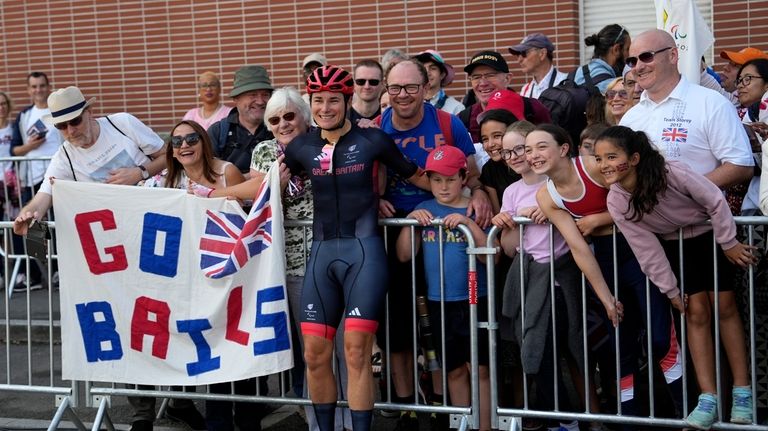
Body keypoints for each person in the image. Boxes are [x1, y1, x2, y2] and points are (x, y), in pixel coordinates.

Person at [8, 87, 209, 431]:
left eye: (75, 121)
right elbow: (46, 193)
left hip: (159, 242)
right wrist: (28, 215)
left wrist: (140, 172)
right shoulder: (66, 156)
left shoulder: (123, 125)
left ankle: (180, 399)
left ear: (89, 112)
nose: (71, 132)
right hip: (117, 257)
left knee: (173, 318)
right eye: (63, 127)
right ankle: (142, 412)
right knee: (132, 328)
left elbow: (168, 155)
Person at [281, 65, 429, 431]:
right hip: (321, 255)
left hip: (363, 254)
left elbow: (421, 178)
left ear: (347, 101)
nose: (326, 107)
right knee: (314, 355)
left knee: (356, 352)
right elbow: (266, 187)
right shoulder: (300, 146)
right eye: (318, 100)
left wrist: (468, 195)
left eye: (334, 100)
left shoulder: (373, 141)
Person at [594, 125, 756, 429]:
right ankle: (707, 398)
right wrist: (668, 289)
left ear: (635, 157)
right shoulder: (617, 201)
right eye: (598, 158)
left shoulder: (671, 172)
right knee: (695, 314)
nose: (603, 165)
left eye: (611, 156)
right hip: (675, 248)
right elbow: (646, 250)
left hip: (711, 238)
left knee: (725, 309)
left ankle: (742, 390)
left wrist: (729, 242)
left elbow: (714, 201)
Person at [531, 124, 685, 425]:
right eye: (528, 149)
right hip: (605, 261)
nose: (533, 155)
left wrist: (600, 218)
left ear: (564, 149)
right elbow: (578, 247)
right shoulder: (545, 196)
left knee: (659, 336)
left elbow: (641, 198)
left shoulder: (594, 166)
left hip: (640, 252)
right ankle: (632, 420)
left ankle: (684, 411)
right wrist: (606, 298)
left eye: (541, 146)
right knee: (619, 346)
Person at [374, 59, 489, 430]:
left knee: (444, 327)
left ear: (426, 88)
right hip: (400, 230)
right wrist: (374, 199)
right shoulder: (379, 126)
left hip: (447, 228)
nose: (402, 95)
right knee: (401, 328)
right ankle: (412, 406)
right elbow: (365, 175)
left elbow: (470, 171)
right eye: (394, 88)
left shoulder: (446, 122)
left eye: (410, 87)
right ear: (385, 91)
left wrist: (481, 193)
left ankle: (445, 406)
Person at [492, 122, 584, 431]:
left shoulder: (556, 182)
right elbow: (508, 248)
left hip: (559, 280)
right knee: (534, 352)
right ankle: (559, 417)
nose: (517, 156)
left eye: (522, 148)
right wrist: (508, 224)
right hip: (528, 280)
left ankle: (570, 418)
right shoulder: (512, 191)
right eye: (509, 152)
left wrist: (552, 209)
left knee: (549, 351)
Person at [396, 145, 493, 431]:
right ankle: (461, 424)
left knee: (482, 370)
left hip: (477, 298)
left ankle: (485, 426)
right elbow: (404, 255)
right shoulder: (425, 209)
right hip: (440, 302)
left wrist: (466, 222)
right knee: (452, 370)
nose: (443, 186)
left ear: (464, 177)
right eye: (437, 179)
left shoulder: (475, 208)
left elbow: (493, 254)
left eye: (450, 179)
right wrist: (409, 224)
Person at [620, 30, 754, 190]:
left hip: (697, 214)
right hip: (641, 214)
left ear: (672, 55)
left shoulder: (711, 103)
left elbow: (741, 165)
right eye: (632, 61)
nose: (639, 67)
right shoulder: (630, 118)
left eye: (647, 56)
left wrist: (686, 191)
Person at [458, 51, 551, 143]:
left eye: (490, 75)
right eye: (476, 77)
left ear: (507, 78)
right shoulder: (464, 119)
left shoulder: (533, 108)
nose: (483, 83)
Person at [208, 65, 274, 175]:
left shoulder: (280, 129)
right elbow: (209, 174)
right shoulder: (218, 132)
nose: (260, 101)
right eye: (252, 95)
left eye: (265, 94)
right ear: (236, 98)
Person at [476, 92, 522, 212]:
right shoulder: (489, 170)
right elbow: (497, 213)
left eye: (497, 136)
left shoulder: (531, 160)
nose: (490, 144)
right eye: (485, 139)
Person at [572, 24, 631, 93]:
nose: (630, 54)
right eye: (627, 49)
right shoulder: (611, 86)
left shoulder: (579, 72)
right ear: (616, 49)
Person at [508, 33, 568, 99]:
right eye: (518, 55)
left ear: (542, 54)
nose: (519, 60)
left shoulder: (566, 83)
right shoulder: (525, 90)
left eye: (524, 53)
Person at [413, 49, 465, 115]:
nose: (427, 73)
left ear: (442, 74)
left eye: (433, 68)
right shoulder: (410, 106)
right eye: (423, 68)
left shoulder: (456, 108)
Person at [0, 91, 19, 220]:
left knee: (13, 223)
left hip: (11, 184)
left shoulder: (14, 129)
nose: (1, 108)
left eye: (3, 104)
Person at [349, 59, 384, 124]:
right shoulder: (344, 118)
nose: (367, 86)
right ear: (354, 84)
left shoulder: (389, 118)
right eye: (361, 81)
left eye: (373, 82)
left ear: (382, 84)